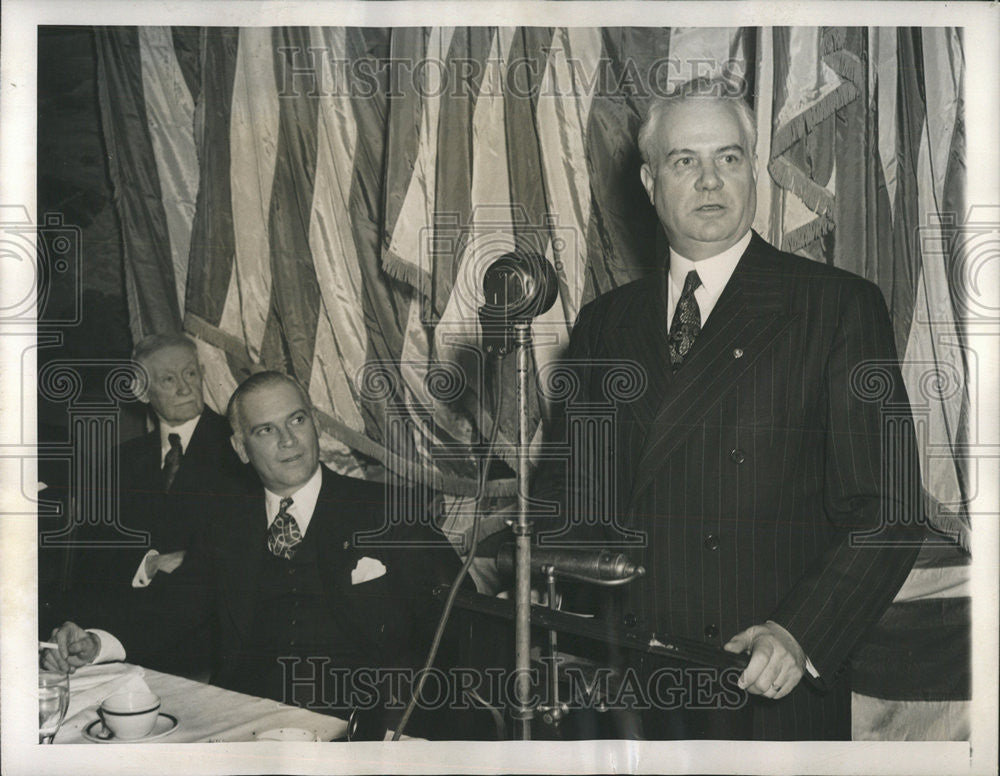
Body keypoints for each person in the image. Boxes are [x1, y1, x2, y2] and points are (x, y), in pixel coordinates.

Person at [531, 77, 924, 740]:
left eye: (729, 158)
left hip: (761, 679)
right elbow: (570, 498)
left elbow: (888, 511)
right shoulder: (604, 324)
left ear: (754, 173)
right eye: (685, 161)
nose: (710, 181)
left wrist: (800, 634)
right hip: (624, 687)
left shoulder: (834, 307)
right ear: (651, 182)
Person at [44, 371, 461, 733]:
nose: (288, 440)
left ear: (315, 424)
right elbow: (171, 608)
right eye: (265, 430)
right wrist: (96, 643)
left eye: (297, 420)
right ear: (241, 447)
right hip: (248, 721)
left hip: (364, 728)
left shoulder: (388, 511)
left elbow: (460, 620)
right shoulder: (226, 523)